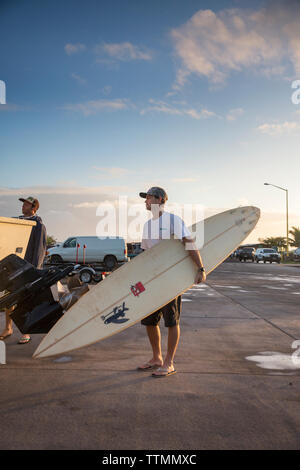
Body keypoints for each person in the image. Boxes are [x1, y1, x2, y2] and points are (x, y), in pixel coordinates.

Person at [137, 187, 206, 378]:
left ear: (159, 199)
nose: (145, 201)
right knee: (149, 322)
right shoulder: (147, 225)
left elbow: (189, 242)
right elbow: (146, 254)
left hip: (171, 280)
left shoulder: (172, 220)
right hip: (153, 280)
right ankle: (156, 358)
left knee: (171, 321)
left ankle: (169, 362)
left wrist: (200, 268)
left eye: (148, 197)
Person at [0, 196, 47, 344]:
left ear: (33, 208)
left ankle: (26, 332)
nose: (23, 206)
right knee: (9, 298)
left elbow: (40, 250)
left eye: (26, 204)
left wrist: (33, 271)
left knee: (25, 300)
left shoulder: (38, 226)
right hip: (11, 267)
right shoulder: (17, 222)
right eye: (23, 204)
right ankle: (8, 328)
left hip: (27, 268)